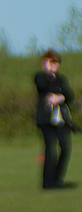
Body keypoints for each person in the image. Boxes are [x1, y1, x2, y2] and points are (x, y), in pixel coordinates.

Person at [35, 49, 75, 189]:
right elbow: (41, 86)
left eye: (56, 62)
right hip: (46, 120)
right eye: (51, 62)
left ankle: (57, 179)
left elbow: (69, 95)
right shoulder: (40, 77)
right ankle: (48, 183)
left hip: (60, 120)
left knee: (65, 148)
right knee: (50, 150)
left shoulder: (61, 79)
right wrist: (48, 73)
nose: (54, 65)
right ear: (44, 63)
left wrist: (60, 98)